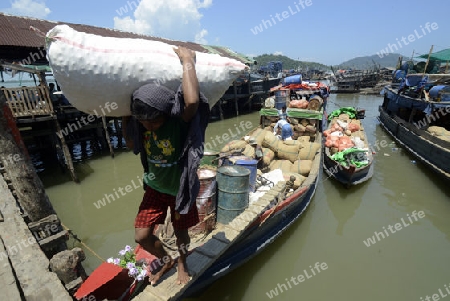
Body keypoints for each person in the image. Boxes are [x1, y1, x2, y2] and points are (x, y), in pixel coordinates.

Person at [122, 46, 210, 286]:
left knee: (181, 232)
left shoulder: (176, 122)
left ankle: (182, 262)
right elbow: (132, 144)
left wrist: (187, 60)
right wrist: (125, 117)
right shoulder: (141, 126)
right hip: (155, 188)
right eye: (144, 123)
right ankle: (165, 258)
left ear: (166, 113)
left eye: (155, 122)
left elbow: (191, 102)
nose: (149, 127)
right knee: (141, 236)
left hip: (180, 188)